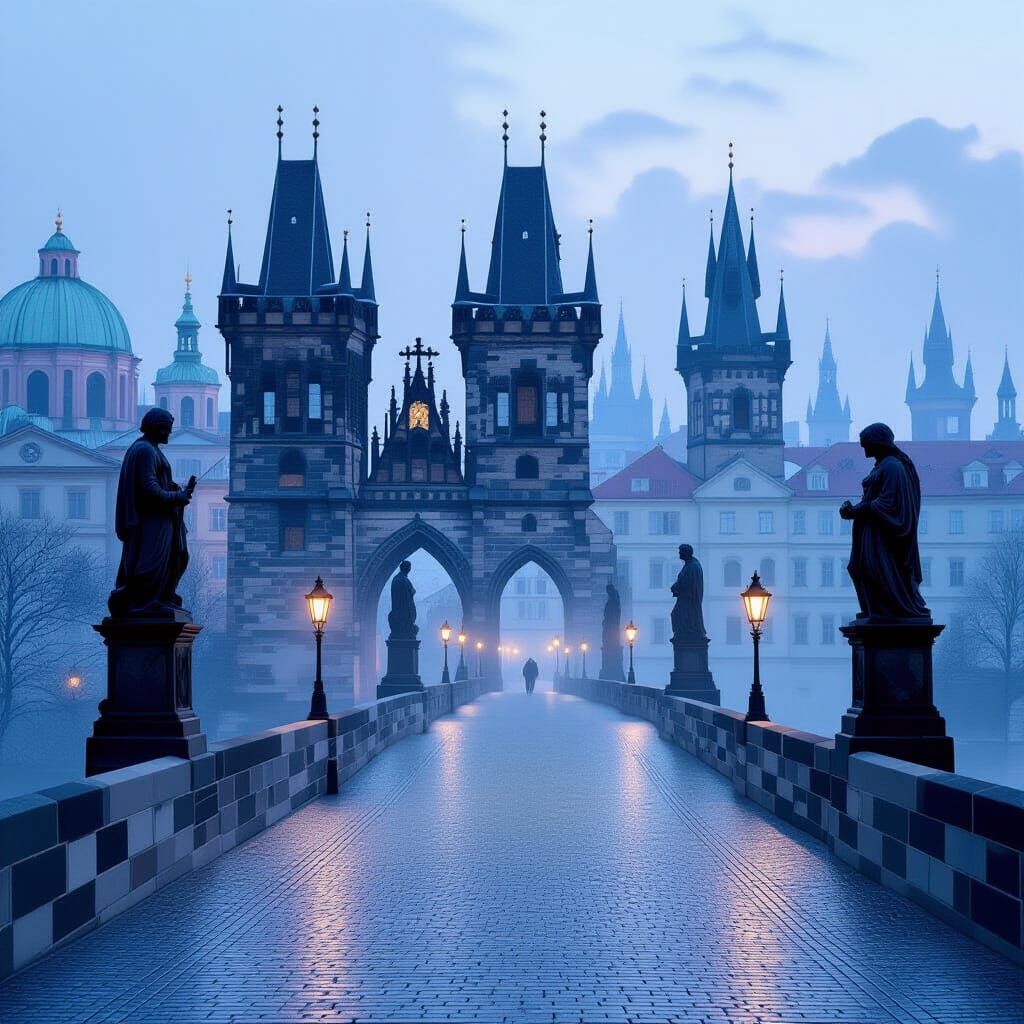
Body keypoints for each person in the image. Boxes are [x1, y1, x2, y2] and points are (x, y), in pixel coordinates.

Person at [108, 408, 195, 616]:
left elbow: (157, 483)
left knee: (179, 556)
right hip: (152, 521)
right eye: (167, 429)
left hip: (162, 518)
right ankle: (147, 600)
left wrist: (175, 489)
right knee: (153, 560)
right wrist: (177, 497)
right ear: (157, 428)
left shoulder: (149, 449)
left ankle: (160, 596)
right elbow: (148, 489)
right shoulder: (145, 451)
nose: (169, 434)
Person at [840, 422, 930, 621]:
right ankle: (876, 609)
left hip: (882, 539)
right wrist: (854, 510)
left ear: (878, 442)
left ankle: (884, 610)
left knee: (872, 571)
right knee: (859, 568)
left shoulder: (892, 466)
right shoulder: (884, 466)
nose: (864, 449)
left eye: (866, 444)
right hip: (871, 535)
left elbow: (886, 504)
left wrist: (856, 510)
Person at [670, 543, 707, 640]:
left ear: (685, 553)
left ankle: (686, 633)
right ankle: (683, 633)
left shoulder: (693, 566)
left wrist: (677, 588)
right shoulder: (690, 564)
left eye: (680, 552)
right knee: (676, 615)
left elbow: (689, 585)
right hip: (686, 599)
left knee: (676, 614)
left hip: (689, 600)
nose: (679, 553)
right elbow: (685, 581)